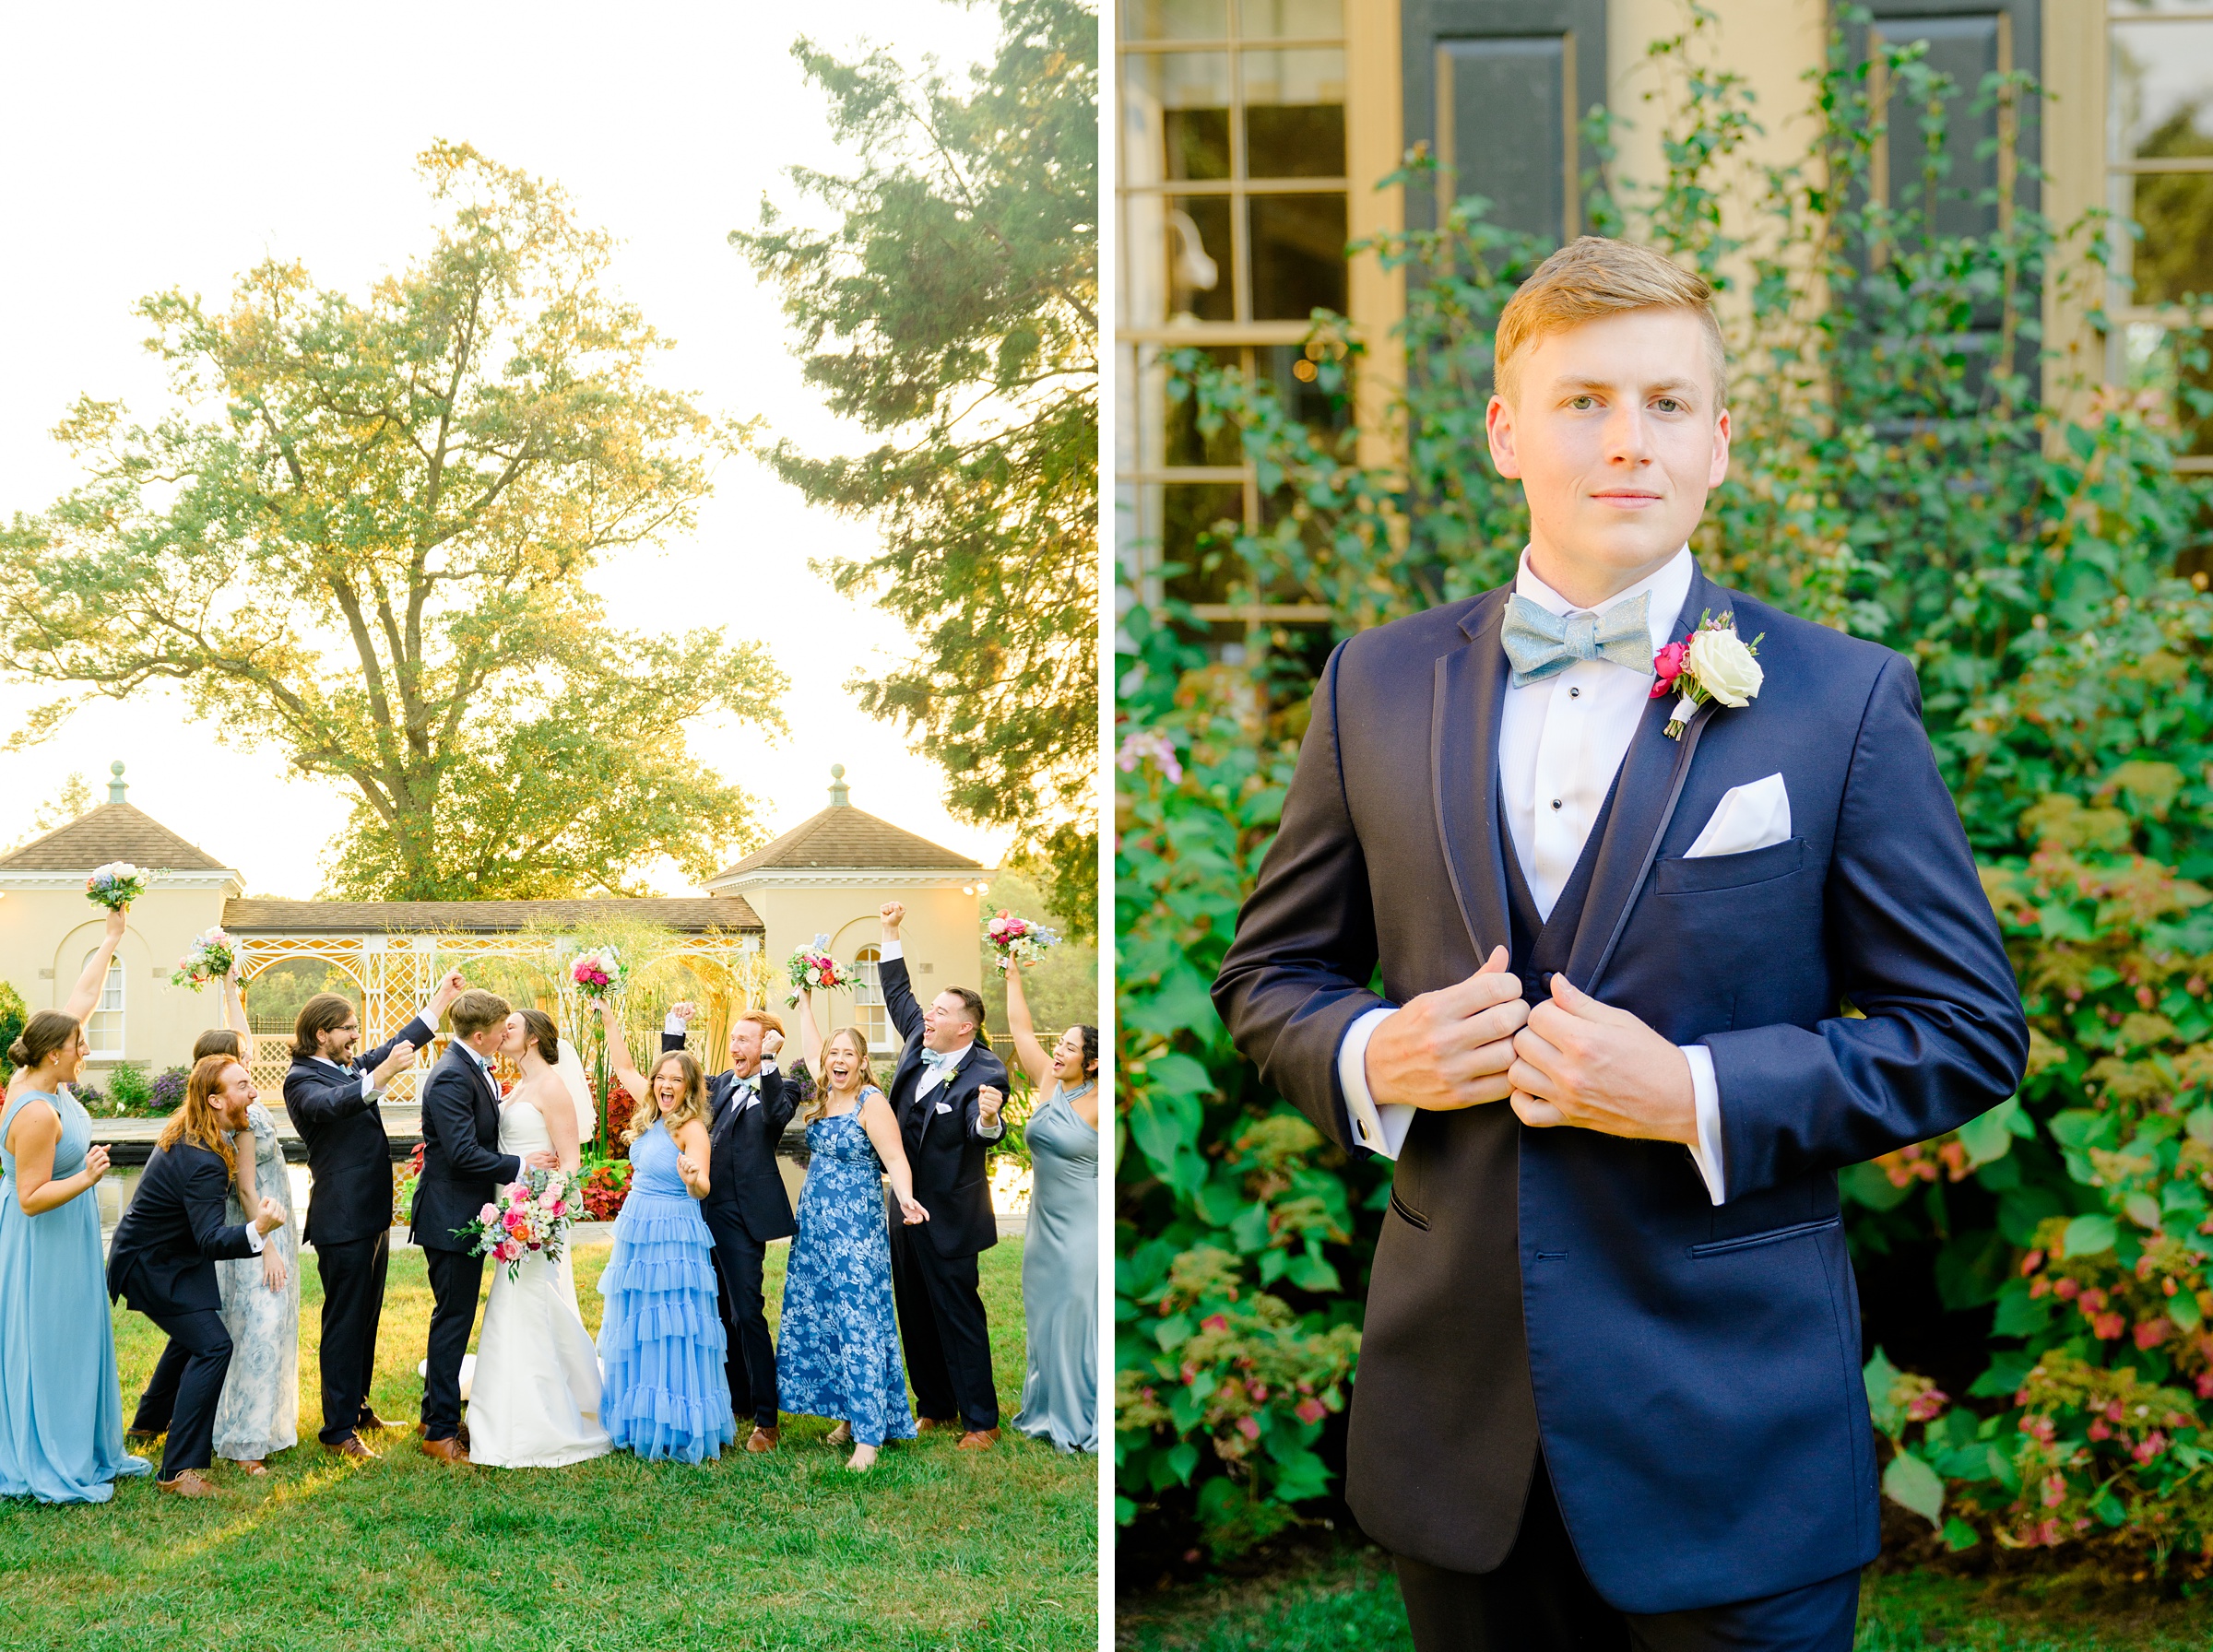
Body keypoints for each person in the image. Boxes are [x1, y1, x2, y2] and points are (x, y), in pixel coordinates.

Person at [1212, 236, 2030, 1651]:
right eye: (1583, 399)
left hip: (1735, 1438)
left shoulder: (1841, 702)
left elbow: (1964, 1029)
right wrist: (1373, 1051)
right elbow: (1269, 978)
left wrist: (1698, 1095)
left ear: (1719, 445)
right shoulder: (1374, 687)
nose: (1626, 439)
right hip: (1459, 1429)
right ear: (1505, 432)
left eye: (1665, 404)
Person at [0, 912, 152, 1504]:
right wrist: (88, 1177)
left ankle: (86, 1443)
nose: (84, 1047)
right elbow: (33, 1198)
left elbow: (80, 1000)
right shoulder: (36, 1110)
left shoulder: (40, 1076)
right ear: (53, 1055)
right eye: (77, 1044)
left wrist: (111, 937)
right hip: (45, 1239)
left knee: (76, 1334)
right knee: (52, 1339)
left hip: (67, 1235)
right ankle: (51, 1452)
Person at [283, 970, 463, 1460]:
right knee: (344, 1321)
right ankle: (338, 1430)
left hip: (371, 1215)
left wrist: (440, 1002)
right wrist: (381, 1077)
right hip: (340, 1220)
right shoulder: (302, 1080)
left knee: (366, 1316)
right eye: (347, 1028)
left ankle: (358, 1407)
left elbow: (392, 1045)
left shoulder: (344, 1065)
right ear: (322, 1033)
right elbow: (336, 1104)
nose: (355, 1036)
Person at [108, 1055, 288, 1497]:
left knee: (192, 1336)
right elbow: (209, 1239)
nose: (253, 1093)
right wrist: (258, 1231)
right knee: (213, 1346)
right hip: (153, 1266)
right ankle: (179, 1471)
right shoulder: (202, 1157)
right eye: (243, 1085)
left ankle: (148, 1423)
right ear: (214, 1099)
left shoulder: (195, 1130)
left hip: (164, 1258)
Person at [875, 901, 1012, 1449]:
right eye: (929, 1010)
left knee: (958, 1313)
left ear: (967, 1026)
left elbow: (987, 1130)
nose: (927, 1016)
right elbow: (896, 993)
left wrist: (987, 1118)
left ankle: (981, 1420)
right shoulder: (917, 1040)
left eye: (940, 1011)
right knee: (913, 1307)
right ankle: (933, 1404)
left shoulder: (987, 1069)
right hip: (903, 1206)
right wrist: (889, 933)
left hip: (951, 1214)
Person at [775, 995, 930, 1471]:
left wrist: (904, 1197)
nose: (838, 1060)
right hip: (817, 1226)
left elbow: (897, 1160)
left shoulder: (871, 1102)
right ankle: (847, 1415)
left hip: (855, 1231)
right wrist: (804, 1004)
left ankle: (869, 1435)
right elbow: (812, 1044)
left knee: (860, 1320)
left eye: (848, 1054)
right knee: (826, 1316)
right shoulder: (824, 1096)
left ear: (863, 1063)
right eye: (832, 1054)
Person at [412, 987, 556, 1463]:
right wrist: (520, 1166)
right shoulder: (453, 1076)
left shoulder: (470, 1067)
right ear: (480, 1034)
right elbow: (461, 1153)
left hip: (465, 1212)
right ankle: (439, 1431)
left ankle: (436, 1413)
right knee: (452, 1320)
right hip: (450, 1216)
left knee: (454, 1317)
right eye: (500, 1030)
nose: (504, 1036)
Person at [466, 1009, 613, 1469]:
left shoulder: (552, 1086)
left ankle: (542, 1420)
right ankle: (502, 1413)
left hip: (537, 1223)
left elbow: (570, 1163)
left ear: (532, 1038)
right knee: (509, 1308)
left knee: (531, 1305)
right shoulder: (514, 1088)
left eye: (511, 1026)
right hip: (508, 1216)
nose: (502, 1031)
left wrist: (541, 1213)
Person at [591, 996, 733, 1463]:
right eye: (661, 1078)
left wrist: (694, 1179)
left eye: (676, 1079)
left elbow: (704, 1187)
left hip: (674, 1234)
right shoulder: (650, 1109)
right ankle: (638, 1418)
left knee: (672, 1327)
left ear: (690, 1087)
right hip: (637, 1227)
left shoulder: (691, 1128)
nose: (666, 1085)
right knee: (638, 1323)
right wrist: (609, 1015)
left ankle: (677, 1423)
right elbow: (624, 1061)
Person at [661, 1003, 799, 1451]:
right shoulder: (719, 1084)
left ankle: (766, 1419)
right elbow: (675, 1081)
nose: (735, 1046)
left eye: (745, 1039)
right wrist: (674, 1031)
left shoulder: (783, 1087)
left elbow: (777, 1116)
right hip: (700, 1208)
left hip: (743, 1216)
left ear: (767, 1046)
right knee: (715, 1308)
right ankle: (736, 1399)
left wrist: (772, 1065)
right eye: (734, 1038)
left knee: (745, 1311)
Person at [998, 961, 1099, 1454]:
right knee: (1044, 1315)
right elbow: (1019, 1029)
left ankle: (1082, 1414)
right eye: (1058, 1043)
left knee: (1078, 1317)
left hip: (1085, 1224)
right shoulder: (1048, 1083)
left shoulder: (1105, 1099)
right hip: (1043, 1222)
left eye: (1071, 1047)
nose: (1058, 1051)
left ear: (1094, 1061)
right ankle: (1047, 1406)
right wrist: (1013, 975)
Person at [208, 1052, 300, 1473]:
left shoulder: (243, 1102)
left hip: (272, 1225)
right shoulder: (240, 1120)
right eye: (243, 1079)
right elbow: (246, 1191)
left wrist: (231, 985)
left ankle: (264, 1428)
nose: (253, 1083)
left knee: (271, 1327)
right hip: (257, 1231)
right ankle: (246, 1444)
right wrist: (267, 1248)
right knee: (259, 1330)